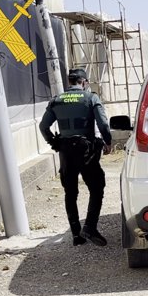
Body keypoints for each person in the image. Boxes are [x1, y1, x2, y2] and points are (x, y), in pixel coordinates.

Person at [39, 69, 112, 246]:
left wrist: (53, 143)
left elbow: (43, 126)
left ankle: (76, 235)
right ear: (84, 82)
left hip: (65, 152)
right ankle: (90, 227)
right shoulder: (90, 98)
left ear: (69, 81)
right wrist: (108, 142)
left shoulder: (56, 100)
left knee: (70, 193)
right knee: (97, 187)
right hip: (86, 152)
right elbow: (102, 123)